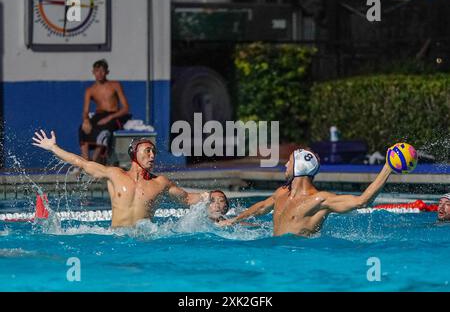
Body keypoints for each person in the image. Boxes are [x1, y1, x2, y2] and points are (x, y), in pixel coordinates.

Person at [32, 130, 209, 228]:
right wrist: (53, 147)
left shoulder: (160, 182)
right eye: (147, 151)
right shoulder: (115, 175)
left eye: (154, 151)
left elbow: (187, 198)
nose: (152, 155)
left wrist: (209, 197)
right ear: (134, 153)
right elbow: (82, 163)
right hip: (116, 240)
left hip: (145, 242)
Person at [219, 147, 395, 237]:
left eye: (289, 162)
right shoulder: (281, 192)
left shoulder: (320, 200)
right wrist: (234, 220)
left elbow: (362, 201)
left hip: (299, 260)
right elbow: (260, 208)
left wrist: (388, 167)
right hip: (273, 255)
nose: (285, 165)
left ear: (299, 166)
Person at [79, 59, 132, 164]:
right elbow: (85, 111)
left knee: (104, 131)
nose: (99, 74)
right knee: (82, 128)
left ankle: (94, 161)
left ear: (107, 72)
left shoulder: (115, 85)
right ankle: (85, 162)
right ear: (93, 72)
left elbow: (126, 108)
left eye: (102, 71)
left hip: (114, 115)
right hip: (100, 114)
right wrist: (85, 120)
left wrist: (109, 117)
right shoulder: (90, 90)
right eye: (97, 71)